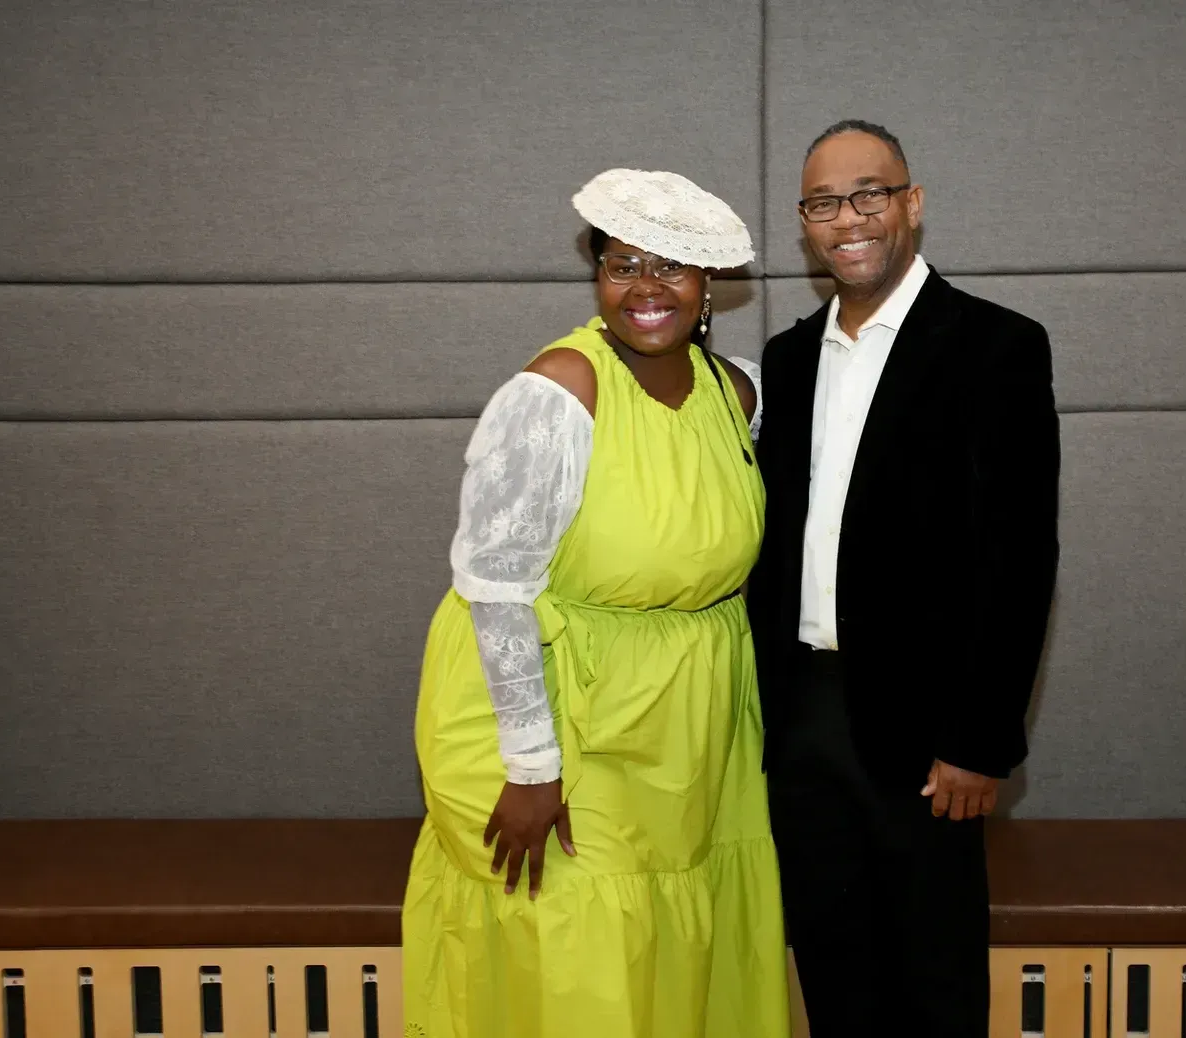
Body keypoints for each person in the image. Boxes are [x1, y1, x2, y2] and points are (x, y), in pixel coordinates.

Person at [401, 168, 790, 1038]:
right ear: (596, 277)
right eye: (622, 264)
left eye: (673, 266)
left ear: (708, 287)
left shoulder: (737, 395)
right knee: (577, 960)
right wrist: (534, 770)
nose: (646, 287)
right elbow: (497, 590)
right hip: (558, 709)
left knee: (668, 953)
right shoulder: (558, 391)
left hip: (687, 720)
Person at [745, 120, 1061, 1035]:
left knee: (934, 989)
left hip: (930, 739)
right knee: (836, 979)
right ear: (804, 224)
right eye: (822, 203)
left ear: (911, 204)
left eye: (868, 194)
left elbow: (1019, 556)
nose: (847, 218)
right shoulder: (789, 359)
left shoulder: (995, 347)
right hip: (800, 721)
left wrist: (980, 739)